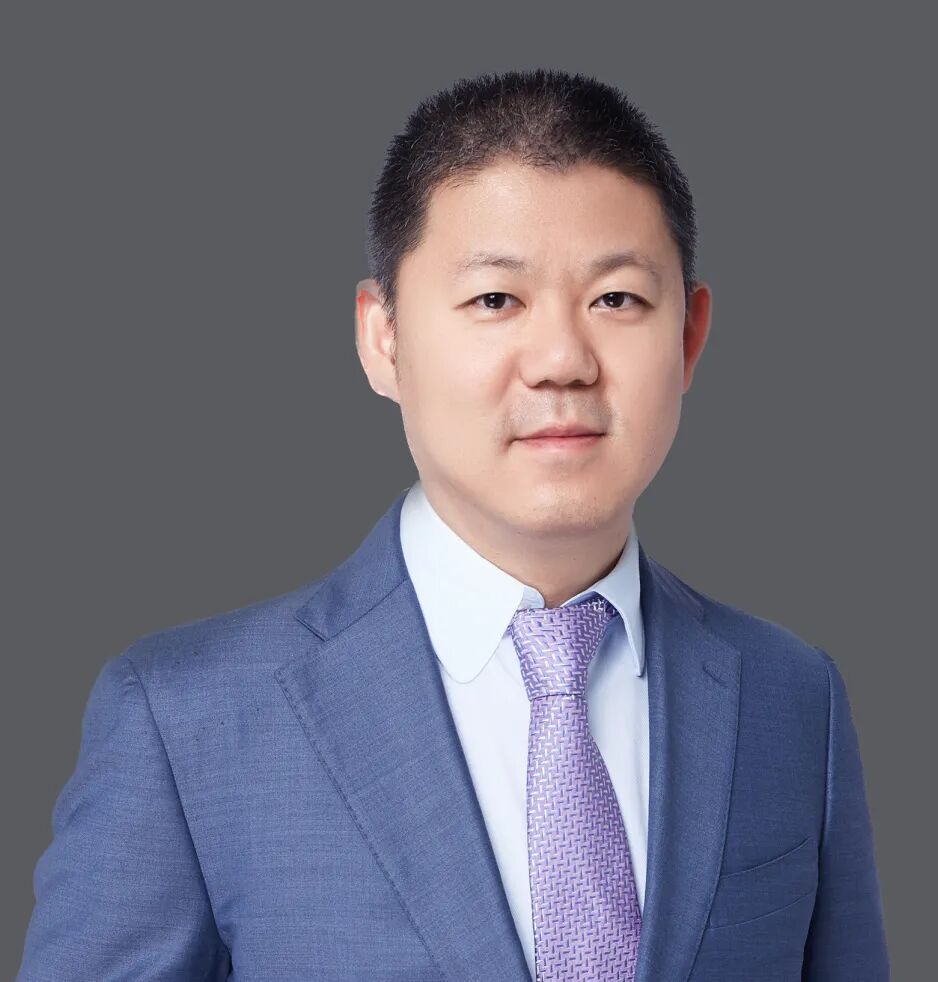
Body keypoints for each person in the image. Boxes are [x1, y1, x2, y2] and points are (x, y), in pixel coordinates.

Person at [17, 68, 889, 981]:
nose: (562, 359)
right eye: (495, 300)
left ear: (689, 337)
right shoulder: (186, 720)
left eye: (617, 299)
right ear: (382, 338)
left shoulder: (794, 698)